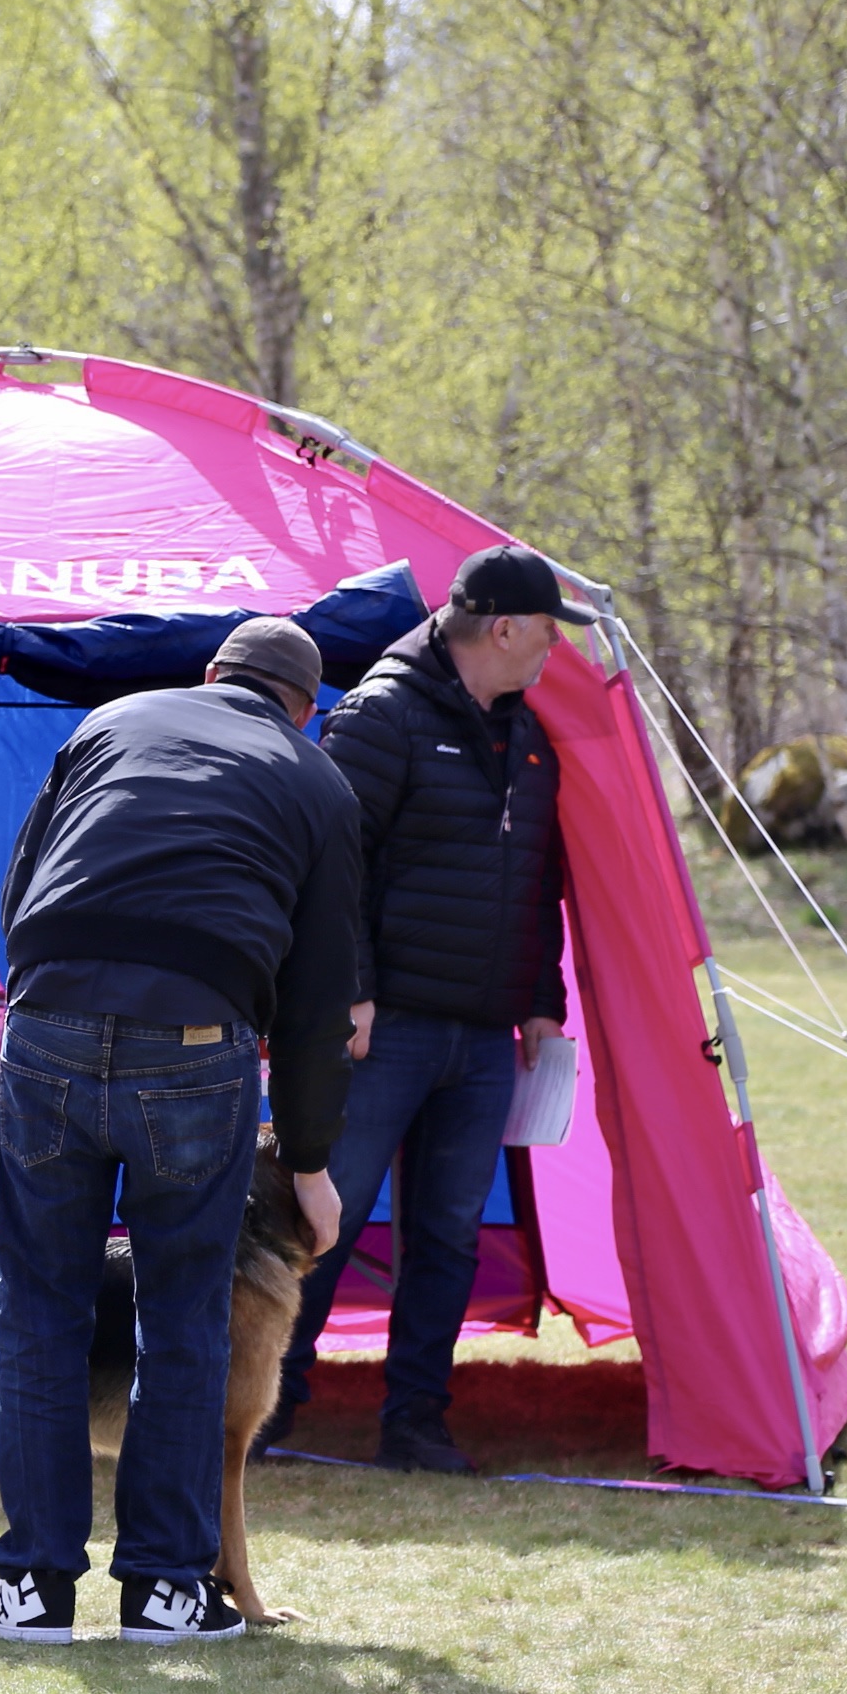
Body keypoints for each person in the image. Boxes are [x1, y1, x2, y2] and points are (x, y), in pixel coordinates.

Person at [0, 615, 355, 1648]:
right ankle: (164, 1591)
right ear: (303, 710)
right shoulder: (317, 780)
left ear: (211, 673)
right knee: (185, 1318)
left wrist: (56, 1008)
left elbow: (21, 892)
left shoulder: (111, 721)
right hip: (195, 1042)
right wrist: (310, 1160)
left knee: (36, 1311)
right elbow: (320, 1001)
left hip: (48, 1021)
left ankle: (31, 1588)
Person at [268, 544, 581, 1475]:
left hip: (484, 1036)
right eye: (549, 631)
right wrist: (351, 991)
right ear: (505, 629)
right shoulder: (382, 714)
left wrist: (541, 998)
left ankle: (417, 1421)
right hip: (385, 1028)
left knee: (448, 1235)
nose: (555, 649)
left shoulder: (530, 738)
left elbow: (540, 877)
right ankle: (267, 1403)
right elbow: (331, 865)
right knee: (323, 1220)